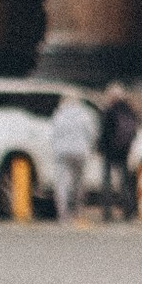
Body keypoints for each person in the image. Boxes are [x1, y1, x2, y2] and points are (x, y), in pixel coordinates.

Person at [46, 88, 97, 226]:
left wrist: (55, 148)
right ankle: (78, 212)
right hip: (81, 152)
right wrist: (90, 148)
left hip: (62, 152)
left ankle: (63, 215)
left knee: (62, 184)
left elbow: (53, 133)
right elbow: (92, 133)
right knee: (78, 183)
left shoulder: (59, 114)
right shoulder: (85, 114)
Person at [95, 85, 140, 221]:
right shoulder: (129, 110)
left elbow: (104, 132)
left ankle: (107, 213)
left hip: (109, 151)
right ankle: (128, 211)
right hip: (124, 150)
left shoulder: (109, 111)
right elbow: (134, 131)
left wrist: (100, 147)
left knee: (107, 183)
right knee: (124, 182)